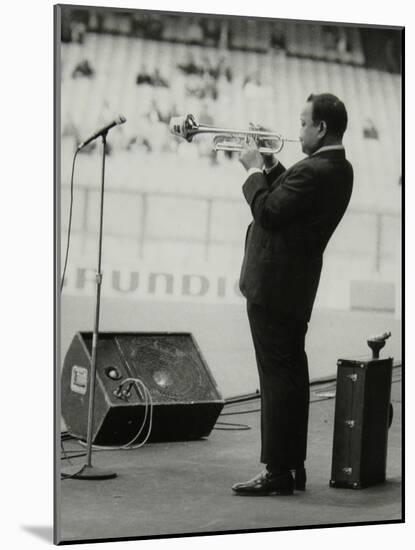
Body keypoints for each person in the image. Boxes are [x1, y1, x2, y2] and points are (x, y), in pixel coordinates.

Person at [232, 93, 354, 496]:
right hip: (293, 287)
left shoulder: (317, 170)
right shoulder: (335, 167)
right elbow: (290, 199)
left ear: (320, 128)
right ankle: (291, 466)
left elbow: (268, 211)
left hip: (274, 286)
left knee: (276, 381)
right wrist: (269, 163)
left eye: (303, 123)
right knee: (290, 378)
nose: (297, 130)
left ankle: (277, 471)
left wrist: (252, 171)